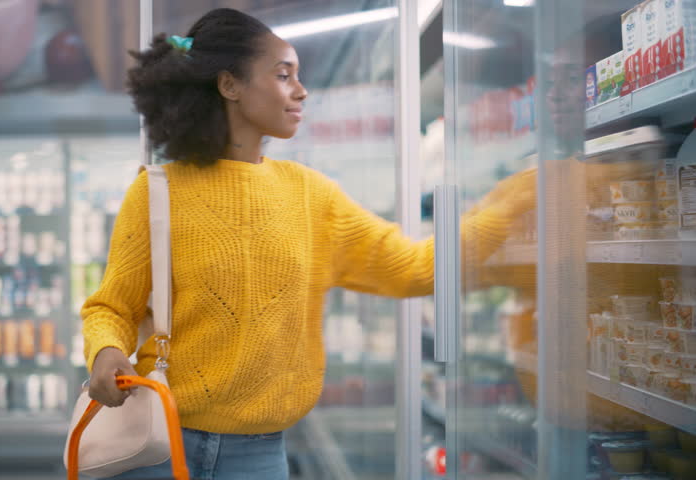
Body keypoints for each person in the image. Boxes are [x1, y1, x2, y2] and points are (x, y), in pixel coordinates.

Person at [81, 8, 535, 480]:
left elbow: (416, 266)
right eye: (283, 75)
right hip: (158, 442)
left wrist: (515, 202)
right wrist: (106, 351)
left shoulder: (311, 195)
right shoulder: (157, 191)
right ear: (229, 85)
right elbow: (110, 307)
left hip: (259, 457)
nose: (301, 90)